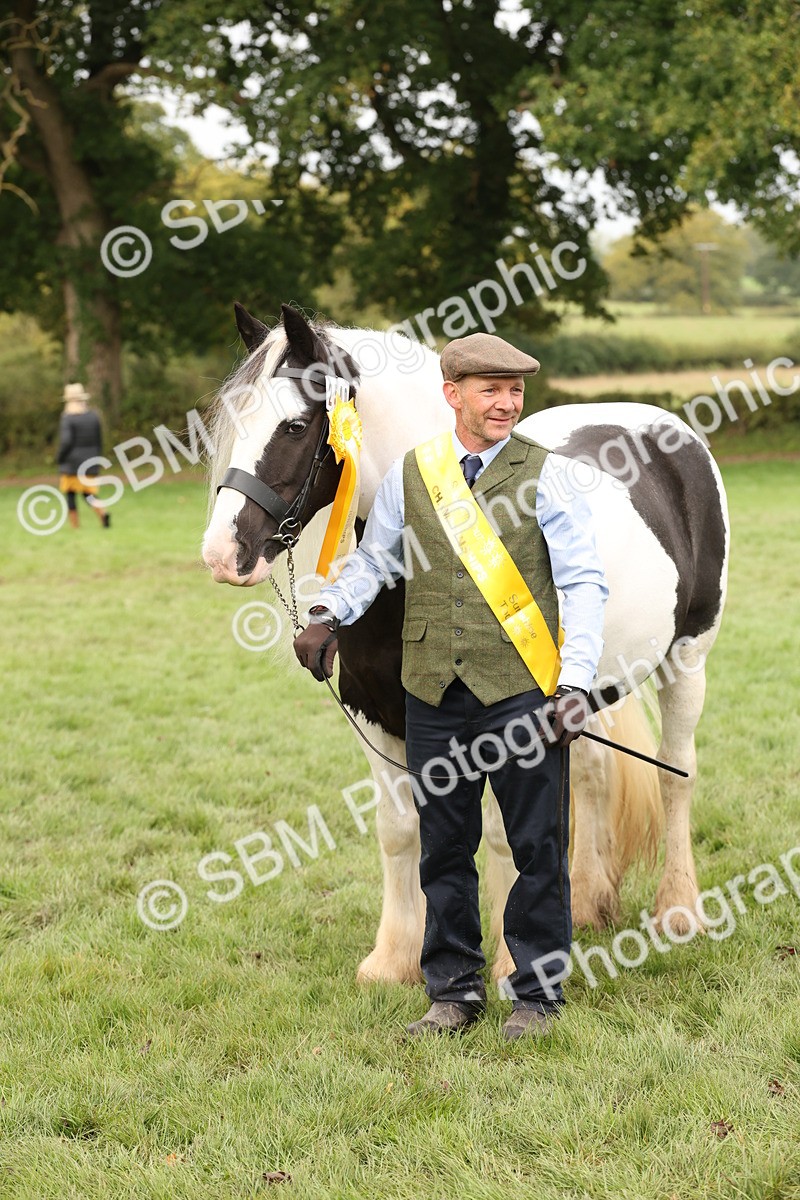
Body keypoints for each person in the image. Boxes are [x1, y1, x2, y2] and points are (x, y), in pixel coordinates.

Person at [293, 332, 608, 1040]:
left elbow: (584, 582)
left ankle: (537, 993)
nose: (506, 403)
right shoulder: (416, 472)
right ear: (453, 395)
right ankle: (454, 991)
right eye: (490, 390)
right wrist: (328, 615)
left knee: (535, 847)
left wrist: (577, 682)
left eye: (515, 391)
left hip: (524, 687)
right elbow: (376, 561)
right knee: (443, 846)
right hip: (432, 689)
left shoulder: (547, 473)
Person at [57, 383, 110, 529]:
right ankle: (102, 512)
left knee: (70, 494)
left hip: (71, 463)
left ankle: (75, 526)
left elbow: (66, 442)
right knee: (88, 493)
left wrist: (60, 458)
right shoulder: (94, 416)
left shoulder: (67, 418)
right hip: (91, 461)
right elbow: (99, 440)